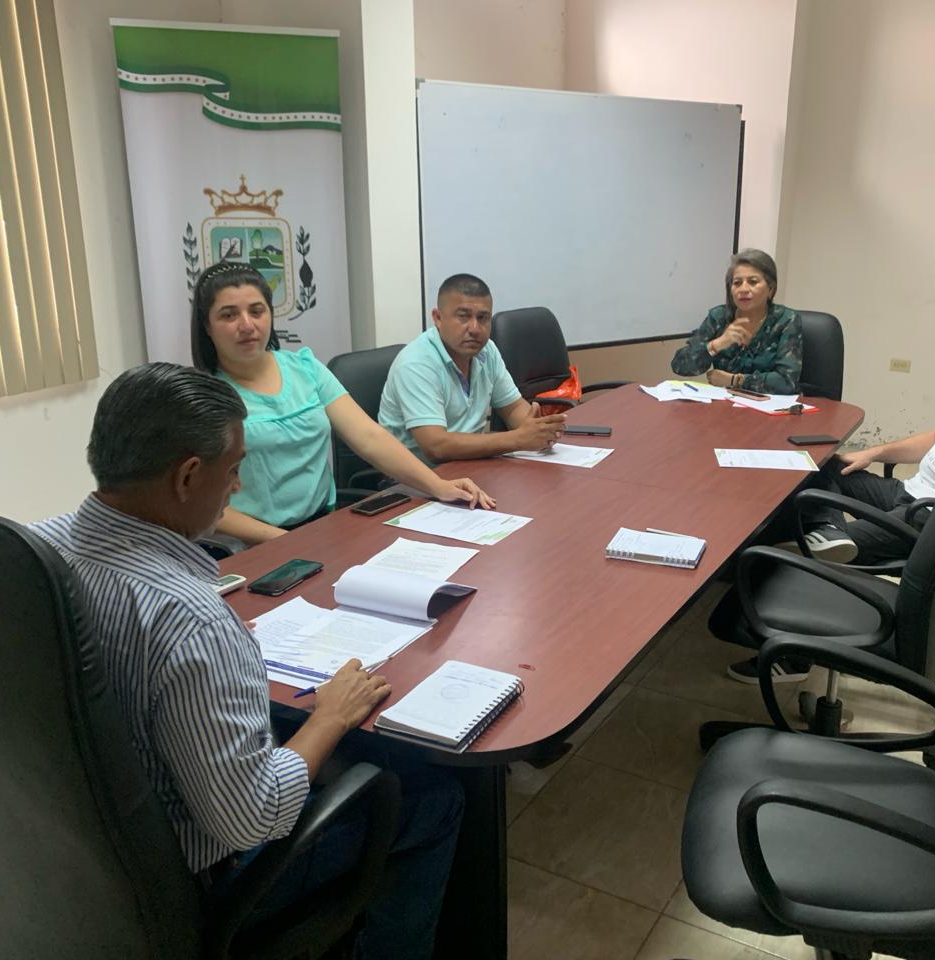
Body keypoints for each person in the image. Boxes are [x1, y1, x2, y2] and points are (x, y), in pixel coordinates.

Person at [31, 363, 462, 960]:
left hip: (70, 863)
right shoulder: (193, 619)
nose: (236, 487)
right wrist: (329, 717)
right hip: (194, 885)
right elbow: (252, 817)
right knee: (435, 798)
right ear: (188, 476)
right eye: (233, 469)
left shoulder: (36, 551)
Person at [726, 300, 935, 684]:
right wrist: (873, 453)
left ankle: (796, 657)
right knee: (822, 465)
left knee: (804, 549)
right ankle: (828, 530)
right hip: (913, 496)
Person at [190, 262, 494, 547]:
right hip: (251, 546)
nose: (247, 325)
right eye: (229, 315)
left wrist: (438, 486)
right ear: (207, 325)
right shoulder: (201, 396)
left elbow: (369, 437)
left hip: (323, 527)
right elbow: (200, 503)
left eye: (257, 311)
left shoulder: (305, 367)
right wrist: (282, 541)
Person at [378, 273, 568, 463]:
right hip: (419, 475)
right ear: (438, 318)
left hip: (470, 464)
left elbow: (513, 408)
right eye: (463, 317)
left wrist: (539, 430)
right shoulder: (417, 363)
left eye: (483, 318)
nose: (475, 328)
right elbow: (436, 446)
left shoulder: (487, 351)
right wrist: (518, 439)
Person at [670, 249, 803, 394]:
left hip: (771, 406)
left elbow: (786, 381)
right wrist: (717, 345)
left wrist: (735, 380)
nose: (743, 289)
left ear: (770, 289)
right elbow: (680, 367)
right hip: (725, 403)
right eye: (737, 283)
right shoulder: (719, 317)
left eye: (753, 282)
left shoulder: (786, 320)